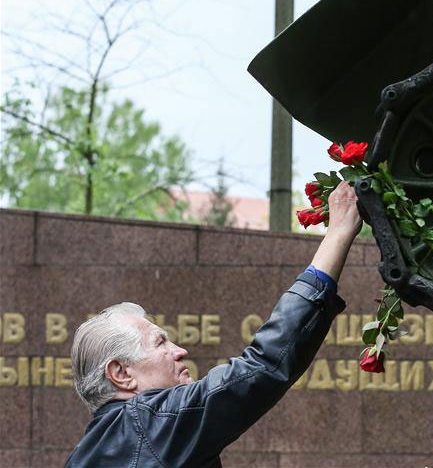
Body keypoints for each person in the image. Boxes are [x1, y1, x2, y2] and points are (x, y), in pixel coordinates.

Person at [64, 182, 361, 468]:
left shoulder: (81, 456)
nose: (181, 351)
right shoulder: (148, 423)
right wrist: (336, 235)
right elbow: (261, 367)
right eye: (160, 342)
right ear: (121, 373)